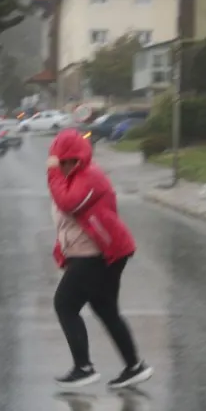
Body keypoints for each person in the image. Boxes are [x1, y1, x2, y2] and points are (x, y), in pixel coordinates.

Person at [47, 129, 153, 389]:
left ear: (75, 159)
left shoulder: (90, 177)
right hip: (91, 253)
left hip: (98, 254)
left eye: (63, 162)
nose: (60, 167)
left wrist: (52, 174)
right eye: (58, 162)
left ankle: (84, 368)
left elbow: (69, 204)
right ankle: (134, 366)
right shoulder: (72, 178)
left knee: (65, 304)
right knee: (105, 309)